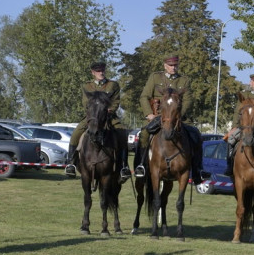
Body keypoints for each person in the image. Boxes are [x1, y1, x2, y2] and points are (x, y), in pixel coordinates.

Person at [133, 55, 204, 184]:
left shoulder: (184, 80)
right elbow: (144, 96)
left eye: (175, 65)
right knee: (144, 134)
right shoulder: (155, 77)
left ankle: (197, 170)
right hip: (158, 116)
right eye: (171, 65)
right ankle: (141, 165)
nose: (173, 67)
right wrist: (149, 114)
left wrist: (178, 115)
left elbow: (188, 99)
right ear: (165, 65)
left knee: (195, 135)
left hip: (177, 117)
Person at [65, 61, 130, 181]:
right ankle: (71, 163)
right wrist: (93, 111)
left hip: (109, 116)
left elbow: (116, 100)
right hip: (93, 117)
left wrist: (110, 110)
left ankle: (124, 167)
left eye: (103, 70)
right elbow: (85, 102)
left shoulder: (113, 85)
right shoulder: (87, 86)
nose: (101, 73)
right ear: (93, 72)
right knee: (76, 134)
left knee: (122, 133)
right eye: (98, 71)